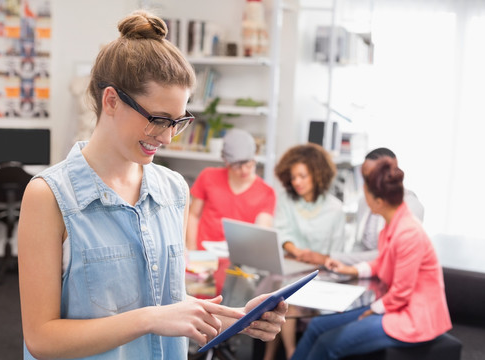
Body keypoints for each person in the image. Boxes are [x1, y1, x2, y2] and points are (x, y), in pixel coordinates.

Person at [17, 10, 287, 360]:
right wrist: (150, 319)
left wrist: (239, 317)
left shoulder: (174, 190)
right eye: (158, 120)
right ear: (111, 101)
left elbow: (167, 304)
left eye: (179, 122)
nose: (168, 138)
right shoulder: (49, 196)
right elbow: (41, 339)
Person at [290, 157, 451, 360]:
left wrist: (373, 310)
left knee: (328, 343)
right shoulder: (393, 223)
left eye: (365, 195)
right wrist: (350, 269)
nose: (364, 201)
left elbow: (401, 293)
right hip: (394, 306)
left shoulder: (409, 232)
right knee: (316, 326)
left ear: (379, 202)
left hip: (412, 317)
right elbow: (384, 261)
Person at [264, 143, 346, 360]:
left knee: (286, 300)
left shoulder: (335, 209)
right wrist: (296, 250)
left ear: (317, 174)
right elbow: (281, 232)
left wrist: (315, 258)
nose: (296, 182)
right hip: (289, 268)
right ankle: (289, 354)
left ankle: (278, 354)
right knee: (281, 296)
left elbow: (337, 253)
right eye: (293, 177)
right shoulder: (287, 200)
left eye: (302, 176)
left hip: (320, 272)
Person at [330, 147, 424, 265]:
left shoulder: (411, 209)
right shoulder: (364, 201)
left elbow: (387, 255)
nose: (366, 185)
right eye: (365, 177)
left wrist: (334, 258)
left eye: (373, 177)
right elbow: (359, 245)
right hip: (368, 268)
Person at [186, 128, 276, 251]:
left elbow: (262, 232)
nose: (244, 170)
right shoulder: (208, 177)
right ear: (226, 162)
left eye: (249, 164)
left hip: (239, 257)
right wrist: (191, 249)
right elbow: (193, 215)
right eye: (237, 166)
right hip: (204, 254)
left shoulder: (266, 193)